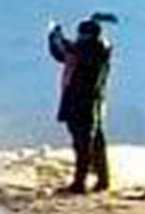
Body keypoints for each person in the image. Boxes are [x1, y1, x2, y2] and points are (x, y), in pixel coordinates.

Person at [47, 16, 112, 194]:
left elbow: (72, 52)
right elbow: (62, 55)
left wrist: (59, 39)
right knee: (95, 142)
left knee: (83, 143)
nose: (80, 38)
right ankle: (101, 179)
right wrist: (54, 39)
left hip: (83, 101)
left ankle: (80, 183)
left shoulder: (93, 50)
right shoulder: (94, 48)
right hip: (88, 101)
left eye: (82, 35)